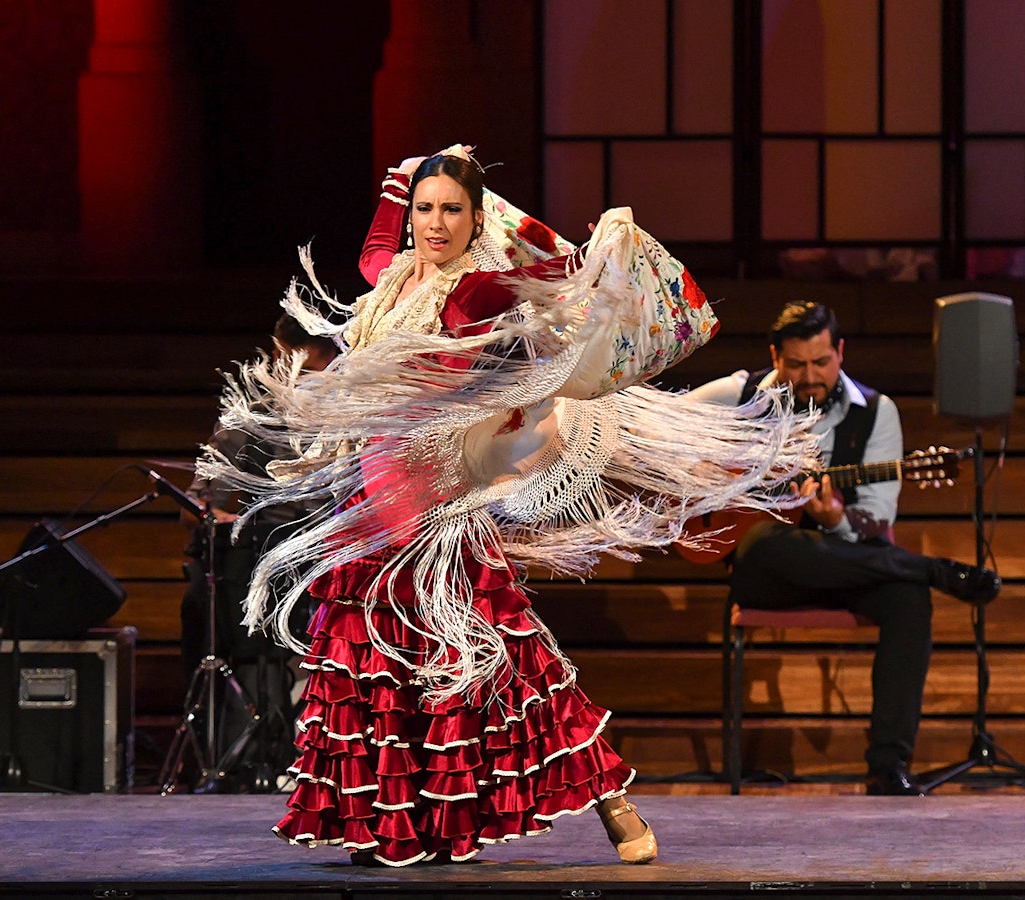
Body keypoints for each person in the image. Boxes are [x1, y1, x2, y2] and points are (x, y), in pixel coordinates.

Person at [201, 147, 818, 865]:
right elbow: (377, 240)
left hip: (432, 507)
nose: (436, 224)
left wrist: (597, 246)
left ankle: (614, 804)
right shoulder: (389, 276)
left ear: (476, 217)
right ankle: (399, 823)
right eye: (425, 209)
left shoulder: (480, 289)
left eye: (452, 210)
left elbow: (562, 280)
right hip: (370, 499)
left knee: (510, 659)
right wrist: (399, 177)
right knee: (375, 668)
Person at [687, 301, 1002, 796]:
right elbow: (656, 424)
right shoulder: (741, 393)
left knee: (906, 599)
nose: (810, 376)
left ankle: (888, 766)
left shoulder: (877, 414)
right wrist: (717, 473)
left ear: (840, 352)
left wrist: (833, 517)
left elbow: (876, 518)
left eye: (821, 363)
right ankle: (930, 568)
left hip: (849, 564)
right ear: (775, 356)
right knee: (768, 541)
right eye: (795, 365)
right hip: (772, 569)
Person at [178, 314, 337, 791]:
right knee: (210, 609)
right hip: (268, 557)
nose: (280, 363)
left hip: (335, 557)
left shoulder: (358, 400)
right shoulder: (255, 409)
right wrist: (219, 517)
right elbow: (199, 499)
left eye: (283, 352)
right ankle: (249, 751)